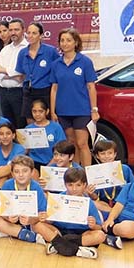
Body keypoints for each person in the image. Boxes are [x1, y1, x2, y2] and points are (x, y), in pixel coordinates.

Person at [50, 28, 97, 167]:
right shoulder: (56, 64)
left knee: (82, 143)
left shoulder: (85, 62)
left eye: (68, 40)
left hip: (81, 110)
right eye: (62, 40)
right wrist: (53, 111)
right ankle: (75, 172)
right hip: (63, 110)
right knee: (71, 143)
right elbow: (54, 88)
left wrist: (94, 109)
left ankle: (88, 174)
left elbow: (91, 87)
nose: (65, 43)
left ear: (76, 42)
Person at [0, 155, 52, 245]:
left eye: (25, 171)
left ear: (32, 172)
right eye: (16, 171)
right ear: (12, 174)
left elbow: (42, 214)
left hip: (31, 224)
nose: (21, 175)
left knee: (42, 226)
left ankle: (11, 233)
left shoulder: (36, 187)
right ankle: (28, 235)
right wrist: (7, 217)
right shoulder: (7, 185)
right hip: (12, 222)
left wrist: (31, 220)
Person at [44, 168, 105, 259]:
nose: (74, 189)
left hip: (80, 234)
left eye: (78, 185)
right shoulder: (58, 199)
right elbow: (48, 222)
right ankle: (79, 250)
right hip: (59, 231)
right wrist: (49, 219)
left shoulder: (89, 203)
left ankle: (58, 245)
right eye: (70, 185)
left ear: (84, 185)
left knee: (100, 235)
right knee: (37, 225)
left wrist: (92, 225)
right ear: (65, 185)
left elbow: (99, 227)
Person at [16, 22, 59, 126]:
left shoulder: (50, 51)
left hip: (45, 90)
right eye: (28, 33)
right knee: (30, 121)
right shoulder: (22, 53)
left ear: (41, 35)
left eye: (34, 33)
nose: (30, 36)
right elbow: (21, 73)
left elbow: (58, 69)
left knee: (47, 121)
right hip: (28, 90)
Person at [0, 18, 28, 128]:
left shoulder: (27, 48)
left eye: (16, 29)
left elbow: (22, 73)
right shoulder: (5, 49)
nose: (13, 32)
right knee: (8, 126)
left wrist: (5, 71)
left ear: (23, 30)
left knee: (21, 125)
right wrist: (11, 73)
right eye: (11, 30)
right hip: (4, 93)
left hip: (20, 93)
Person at [90, 140, 133, 215]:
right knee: (92, 203)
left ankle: (116, 212)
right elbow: (96, 198)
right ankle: (114, 212)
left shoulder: (124, 169)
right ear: (97, 156)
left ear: (115, 154)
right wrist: (91, 193)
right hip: (104, 205)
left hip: (122, 203)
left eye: (110, 153)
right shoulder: (93, 172)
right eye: (102, 154)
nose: (106, 156)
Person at [26, 99, 66, 177]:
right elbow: (25, 151)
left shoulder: (55, 127)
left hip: (54, 161)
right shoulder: (28, 128)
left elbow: (62, 148)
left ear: (47, 111)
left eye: (40, 111)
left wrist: (48, 166)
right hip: (35, 162)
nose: (37, 114)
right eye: (34, 111)